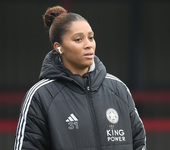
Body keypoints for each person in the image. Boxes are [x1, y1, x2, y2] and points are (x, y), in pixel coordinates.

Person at [14, 5, 147, 150]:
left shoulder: (118, 89)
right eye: (78, 39)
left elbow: (139, 143)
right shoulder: (40, 96)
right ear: (59, 47)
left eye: (91, 38)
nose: (88, 45)